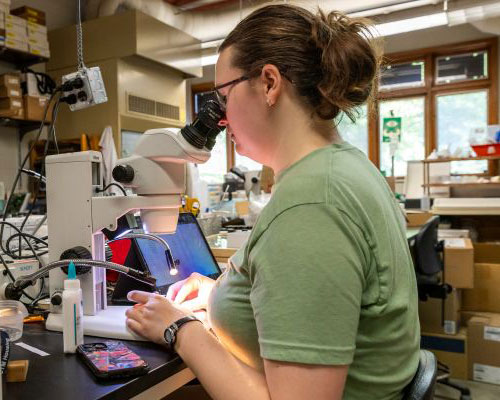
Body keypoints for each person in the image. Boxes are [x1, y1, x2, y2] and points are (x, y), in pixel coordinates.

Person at [125, 4, 420, 400]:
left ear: (268, 83)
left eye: (224, 97)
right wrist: (221, 296)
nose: (222, 119)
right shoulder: (345, 168)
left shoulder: (312, 204)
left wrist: (179, 330)